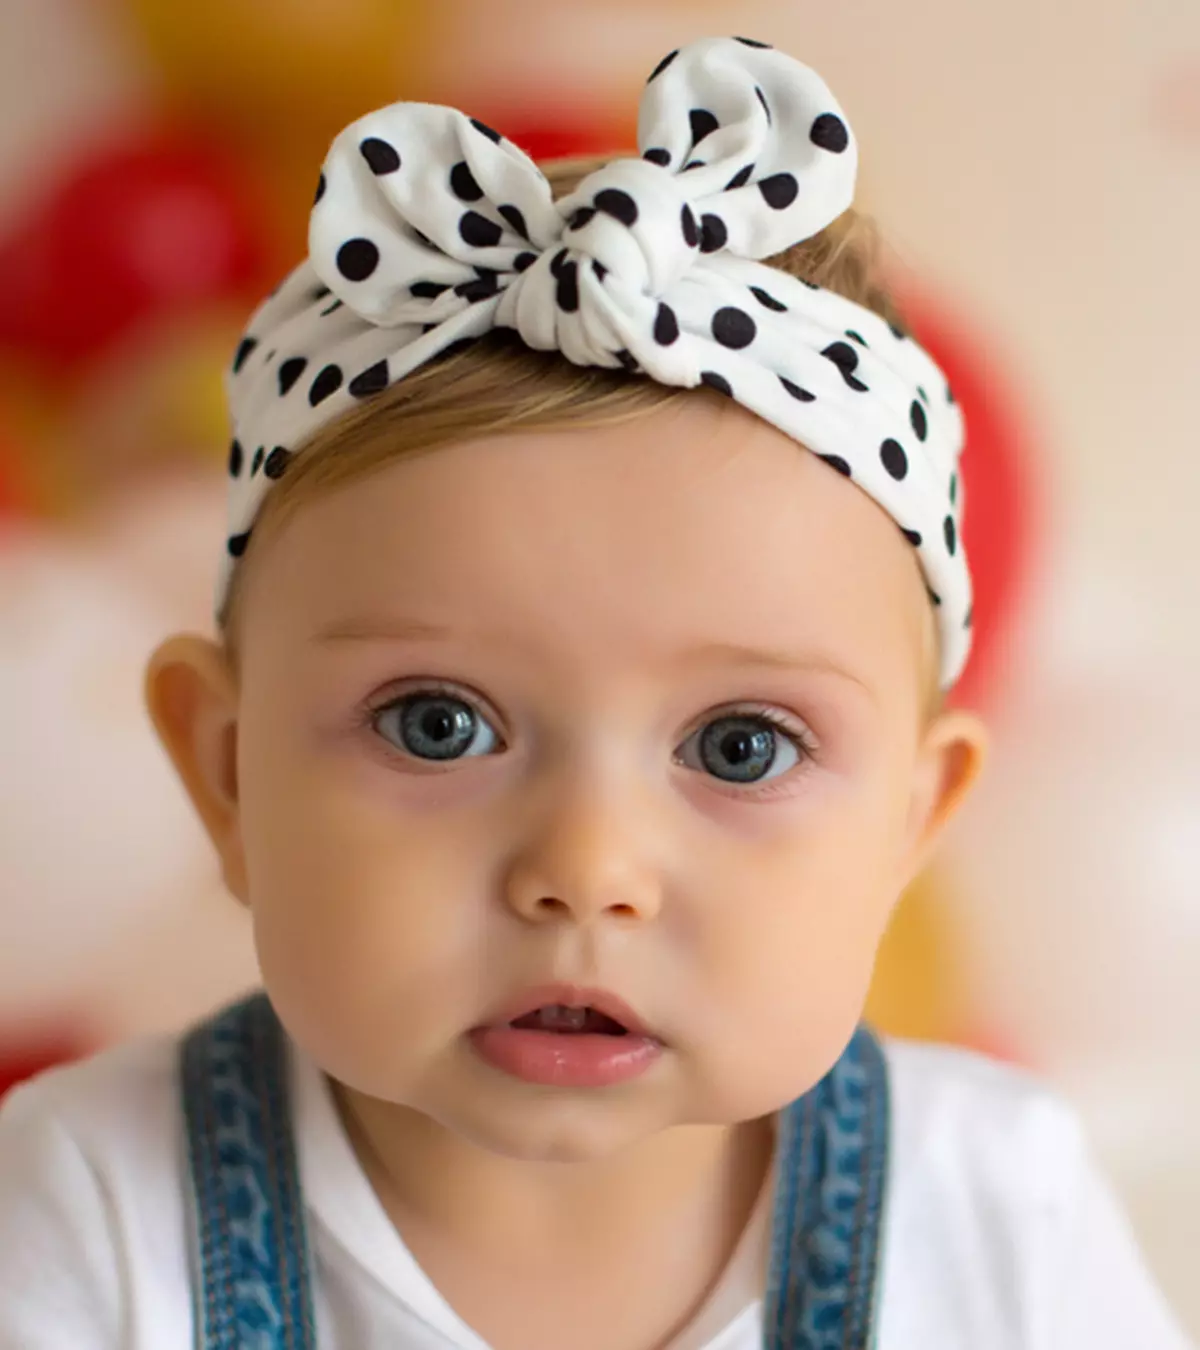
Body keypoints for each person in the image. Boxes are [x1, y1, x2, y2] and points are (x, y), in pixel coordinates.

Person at [0, 34, 1190, 1350]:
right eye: (437, 723)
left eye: (741, 745)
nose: (587, 867)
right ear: (227, 772)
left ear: (912, 822)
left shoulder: (996, 1211)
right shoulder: (92, 1208)